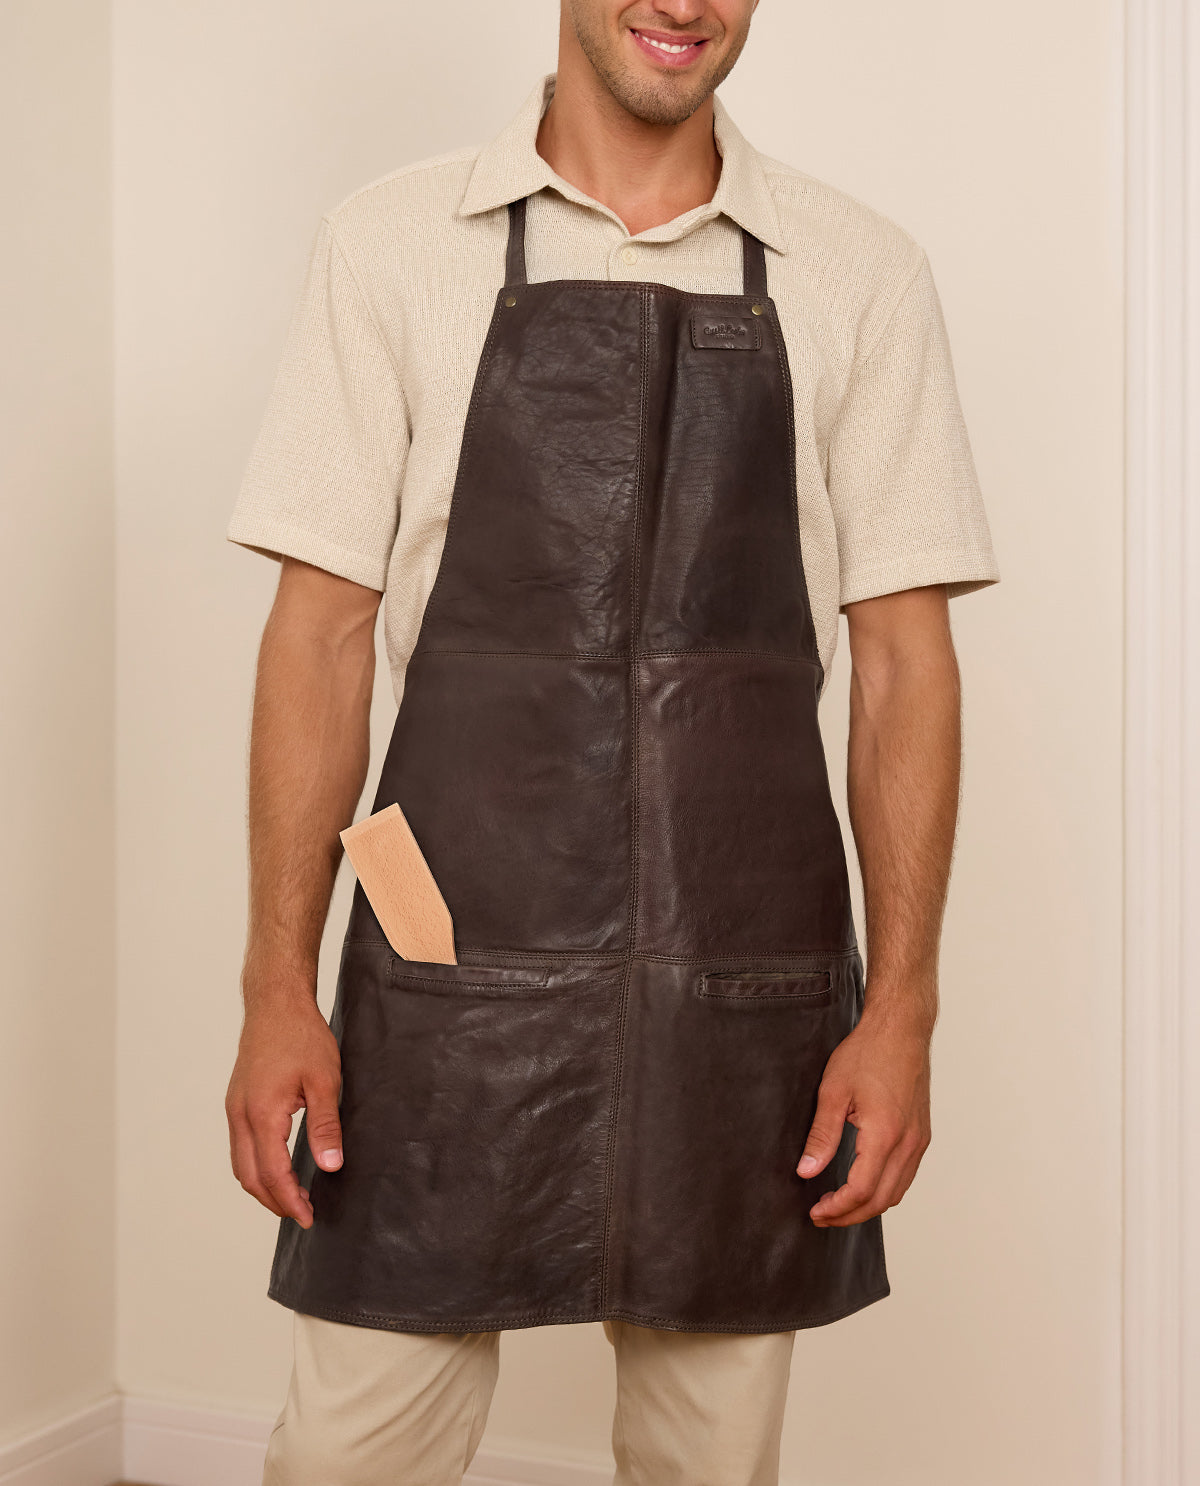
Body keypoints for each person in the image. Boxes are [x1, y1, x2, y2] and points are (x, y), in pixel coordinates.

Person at [224, 2, 999, 1482]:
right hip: (443, 958)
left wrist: (902, 1011)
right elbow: (318, 636)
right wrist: (274, 985)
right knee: (346, 1453)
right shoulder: (392, 245)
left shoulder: (860, 271)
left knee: (712, 1461)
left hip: (741, 980)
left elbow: (907, 664)